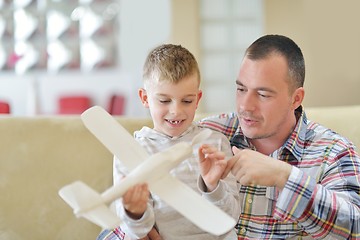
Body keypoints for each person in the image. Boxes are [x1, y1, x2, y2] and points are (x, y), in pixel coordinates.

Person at [198, 34, 360, 239]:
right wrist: (144, 218)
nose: (245, 106)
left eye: (263, 94)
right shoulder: (209, 133)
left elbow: (355, 227)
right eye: (241, 89)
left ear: (296, 98)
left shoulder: (334, 151)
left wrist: (285, 177)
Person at [98, 44, 240, 240]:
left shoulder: (215, 143)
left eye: (187, 101)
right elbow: (136, 233)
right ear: (145, 98)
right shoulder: (132, 150)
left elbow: (232, 217)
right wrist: (135, 213)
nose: (176, 111)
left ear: (198, 99)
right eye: (164, 101)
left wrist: (213, 187)